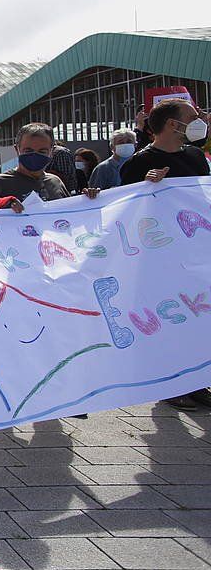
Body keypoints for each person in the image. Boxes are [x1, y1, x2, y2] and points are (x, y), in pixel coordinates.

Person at [119, 99, 211, 412]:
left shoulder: (197, 157)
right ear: (173, 123)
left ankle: (197, 381)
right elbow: (126, 209)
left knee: (198, 317)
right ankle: (170, 383)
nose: (200, 121)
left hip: (194, 254)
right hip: (158, 259)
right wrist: (146, 188)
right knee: (171, 318)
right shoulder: (139, 162)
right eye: (194, 117)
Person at [0, 123, 77, 209]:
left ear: (51, 152)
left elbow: (71, 213)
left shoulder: (56, 182)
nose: (35, 155)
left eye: (42, 151)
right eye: (28, 150)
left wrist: (88, 200)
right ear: (17, 150)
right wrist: (0, 204)